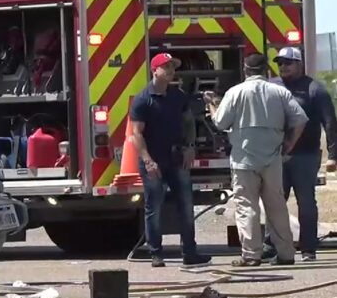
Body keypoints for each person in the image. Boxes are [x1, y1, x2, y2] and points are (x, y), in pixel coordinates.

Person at [204, 52, 308, 267]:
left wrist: (212, 104)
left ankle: (251, 255)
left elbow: (221, 123)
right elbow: (300, 119)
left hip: (244, 160)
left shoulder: (235, 92)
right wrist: (289, 143)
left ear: (245, 70)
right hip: (272, 159)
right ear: (266, 70)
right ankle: (287, 254)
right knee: (277, 206)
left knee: (247, 207)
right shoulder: (279, 92)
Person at [130, 52, 211, 268]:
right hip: (153, 161)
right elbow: (136, 134)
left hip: (177, 158)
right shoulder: (142, 99)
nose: (170, 71)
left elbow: (188, 124)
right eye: (165, 67)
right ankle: (156, 253)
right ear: (154, 70)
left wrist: (190, 147)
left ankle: (190, 253)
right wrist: (148, 161)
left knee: (185, 205)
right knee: (154, 208)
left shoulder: (178, 96)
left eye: (172, 67)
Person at [261, 47, 337, 262]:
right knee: (274, 201)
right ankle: (270, 245)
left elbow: (330, 123)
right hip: (276, 156)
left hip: (306, 155)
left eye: (288, 62)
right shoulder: (272, 86)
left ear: (299, 64)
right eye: (280, 63)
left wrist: (333, 155)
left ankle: (308, 248)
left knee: (306, 202)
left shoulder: (315, 89)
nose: (283, 66)